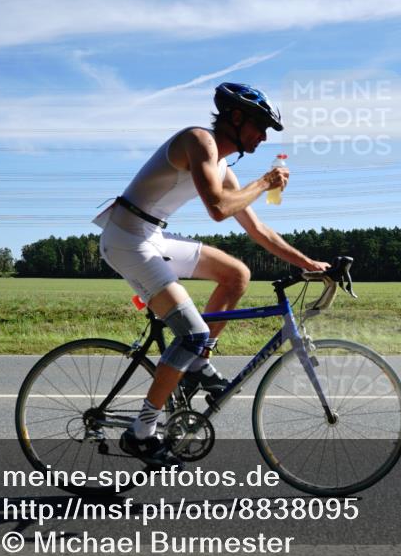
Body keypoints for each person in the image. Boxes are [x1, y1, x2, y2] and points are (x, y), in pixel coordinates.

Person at [92, 82, 330, 468]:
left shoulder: (223, 168)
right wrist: (264, 183)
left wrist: (307, 263)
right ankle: (142, 431)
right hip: (126, 238)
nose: (263, 136)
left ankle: (197, 363)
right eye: (259, 126)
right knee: (194, 331)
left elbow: (258, 232)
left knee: (237, 274)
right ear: (236, 118)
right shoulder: (198, 141)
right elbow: (218, 209)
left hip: (151, 233)